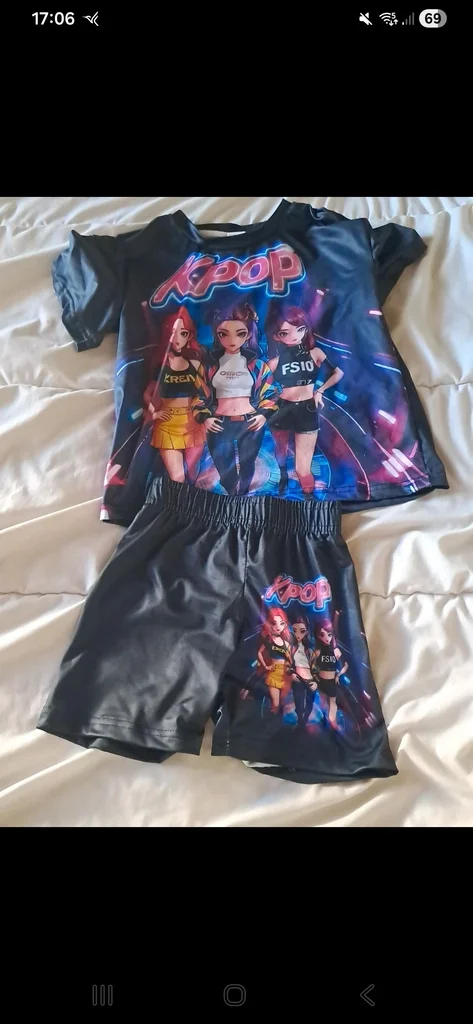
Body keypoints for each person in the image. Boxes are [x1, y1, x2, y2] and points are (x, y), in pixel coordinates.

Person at [191, 302, 278, 495]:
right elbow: (199, 396)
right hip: (219, 423)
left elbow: (270, 393)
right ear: (217, 334)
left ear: (248, 334)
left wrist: (263, 415)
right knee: (224, 469)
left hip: (250, 422)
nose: (232, 340)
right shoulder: (208, 366)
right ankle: (232, 492)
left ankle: (242, 495)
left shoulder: (257, 365)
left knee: (248, 465)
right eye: (224, 334)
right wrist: (205, 418)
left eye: (240, 333)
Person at [265, 306, 343, 495]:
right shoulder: (274, 362)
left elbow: (338, 373)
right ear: (277, 336)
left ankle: (309, 500)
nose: (293, 336)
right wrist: (270, 398)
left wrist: (320, 391)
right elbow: (262, 388)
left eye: (299, 329)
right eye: (285, 332)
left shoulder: (315, 353)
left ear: (306, 329)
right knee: (280, 453)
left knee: (303, 468)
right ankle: (283, 478)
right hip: (281, 408)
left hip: (306, 410)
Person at [144, 307, 206, 484]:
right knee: (177, 477)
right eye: (173, 333)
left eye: (183, 333)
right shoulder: (161, 365)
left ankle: (191, 501)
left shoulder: (195, 364)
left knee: (194, 475)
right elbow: (148, 393)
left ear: (189, 335)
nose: (178, 338)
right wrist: (154, 413)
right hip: (167, 421)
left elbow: (205, 393)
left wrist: (202, 410)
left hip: (192, 421)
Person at [310, 618, 348, 728]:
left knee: (332, 701)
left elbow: (346, 665)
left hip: (331, 682)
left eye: (329, 634)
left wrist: (338, 675)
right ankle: (325, 719)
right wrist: (314, 675)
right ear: (318, 636)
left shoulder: (336, 651)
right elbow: (311, 666)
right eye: (322, 635)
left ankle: (333, 722)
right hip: (321, 682)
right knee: (322, 702)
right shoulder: (317, 652)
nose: (326, 638)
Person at [257, 607, 293, 716]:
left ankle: (280, 720)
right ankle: (271, 720)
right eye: (274, 623)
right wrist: (266, 666)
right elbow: (259, 653)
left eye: (281, 623)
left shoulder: (286, 644)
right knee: (275, 704)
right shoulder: (269, 640)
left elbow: (290, 659)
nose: (278, 627)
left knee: (283, 702)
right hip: (274, 672)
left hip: (285, 674)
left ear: (285, 625)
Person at [289, 615, 317, 729]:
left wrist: (316, 681)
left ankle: (304, 720)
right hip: (297, 679)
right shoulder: (291, 648)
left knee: (309, 703)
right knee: (299, 703)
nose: (298, 634)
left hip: (310, 679)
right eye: (294, 630)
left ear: (306, 632)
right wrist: (291, 672)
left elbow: (315, 667)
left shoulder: (310, 649)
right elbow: (288, 662)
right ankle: (300, 720)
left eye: (302, 631)